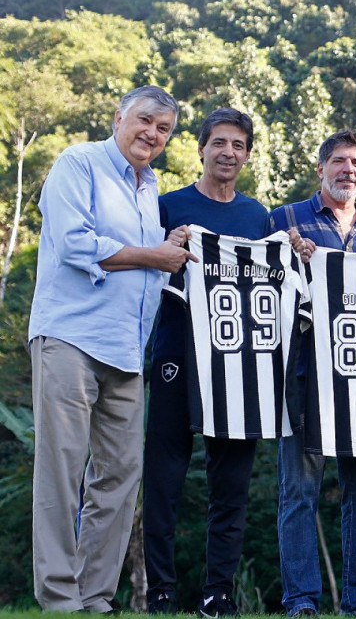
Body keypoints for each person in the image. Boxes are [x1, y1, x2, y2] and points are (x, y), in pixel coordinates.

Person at [29, 85, 193, 612]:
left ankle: (94, 595)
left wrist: (174, 242)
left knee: (121, 475)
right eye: (144, 120)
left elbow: (154, 260)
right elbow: (75, 242)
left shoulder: (151, 188)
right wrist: (156, 255)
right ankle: (58, 597)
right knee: (62, 467)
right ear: (119, 116)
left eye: (163, 129)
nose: (152, 134)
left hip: (126, 350)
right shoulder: (79, 162)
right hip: (70, 338)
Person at [142, 108, 270, 617]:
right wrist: (164, 246)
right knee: (165, 480)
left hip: (239, 366)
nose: (228, 153)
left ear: (246, 155)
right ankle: (161, 591)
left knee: (231, 486)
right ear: (200, 148)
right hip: (175, 354)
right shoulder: (167, 206)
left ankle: (218, 593)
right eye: (219, 142)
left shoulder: (257, 216)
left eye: (238, 145)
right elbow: (144, 268)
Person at [272, 130, 356, 618]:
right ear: (320, 168)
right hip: (302, 375)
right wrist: (285, 253)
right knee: (299, 493)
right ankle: (302, 601)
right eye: (338, 161)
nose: (347, 169)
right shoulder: (285, 218)